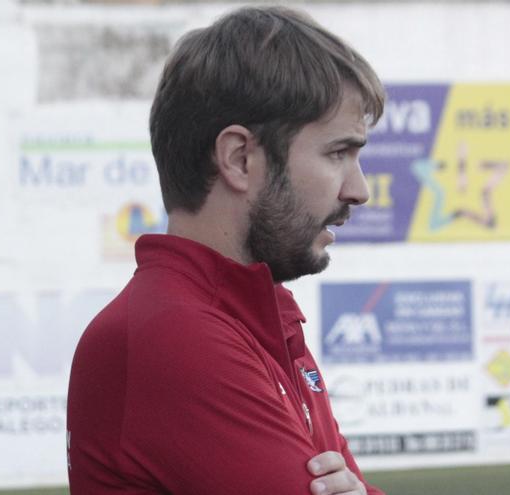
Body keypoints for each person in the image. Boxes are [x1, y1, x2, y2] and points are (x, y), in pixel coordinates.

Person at [66, 6, 385, 494]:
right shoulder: (174, 335)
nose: (359, 190)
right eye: (337, 153)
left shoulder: (259, 316)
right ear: (239, 159)